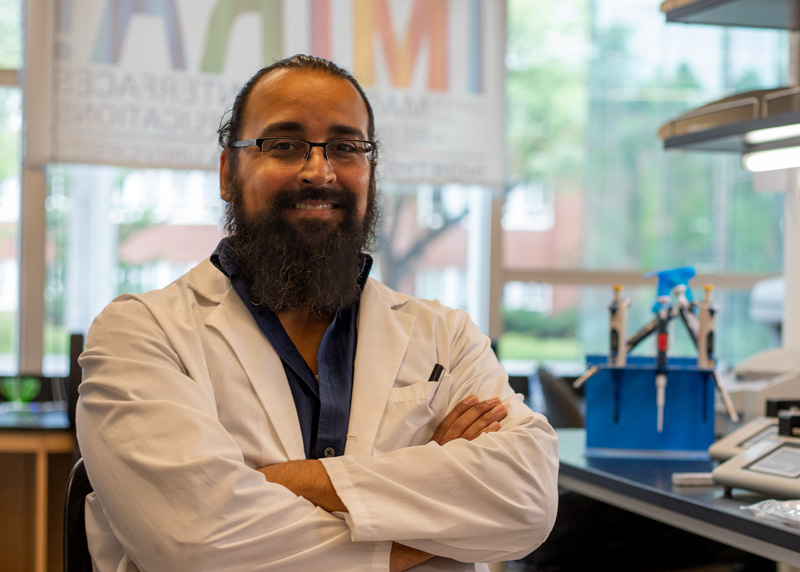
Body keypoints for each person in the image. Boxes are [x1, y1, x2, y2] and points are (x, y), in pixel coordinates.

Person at [76, 54, 558, 572]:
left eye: (346, 148)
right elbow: (193, 543)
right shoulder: (139, 333)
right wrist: (434, 519)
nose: (319, 171)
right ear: (227, 171)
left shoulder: (447, 335)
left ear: (370, 170)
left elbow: (526, 499)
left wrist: (282, 482)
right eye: (284, 145)